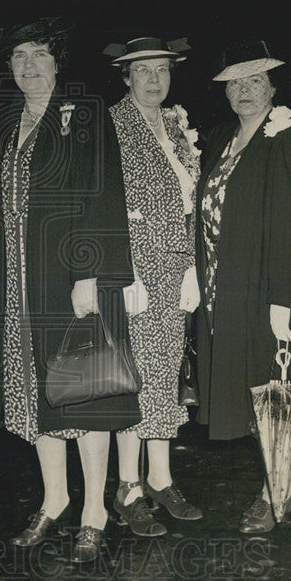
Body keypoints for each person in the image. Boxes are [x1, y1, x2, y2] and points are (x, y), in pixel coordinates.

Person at [0, 17, 141, 563]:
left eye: (39, 53)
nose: (29, 65)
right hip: (19, 283)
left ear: (57, 60)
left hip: (70, 279)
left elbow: (105, 194)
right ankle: (54, 499)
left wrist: (92, 276)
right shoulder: (5, 123)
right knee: (34, 390)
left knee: (84, 387)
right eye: (19, 55)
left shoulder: (85, 113)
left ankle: (94, 509)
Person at [196, 40, 291, 534]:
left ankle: (277, 491)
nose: (244, 91)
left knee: (276, 390)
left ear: (273, 87)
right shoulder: (220, 138)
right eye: (235, 83)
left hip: (272, 290)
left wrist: (283, 298)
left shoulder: (290, 138)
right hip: (227, 288)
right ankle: (275, 485)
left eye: (255, 81)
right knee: (253, 394)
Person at [102, 37, 204, 537]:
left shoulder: (174, 124)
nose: (154, 79)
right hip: (137, 271)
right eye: (143, 71)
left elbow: (188, 203)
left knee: (165, 374)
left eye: (162, 70)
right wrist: (126, 274)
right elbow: (107, 207)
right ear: (126, 77)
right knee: (135, 378)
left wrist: (190, 268)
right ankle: (127, 486)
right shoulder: (112, 125)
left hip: (174, 268)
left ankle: (161, 478)